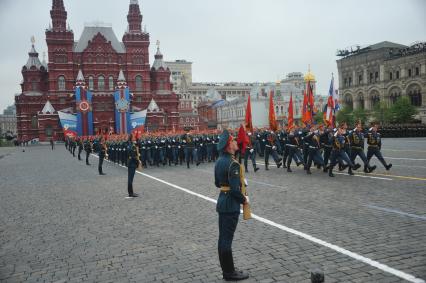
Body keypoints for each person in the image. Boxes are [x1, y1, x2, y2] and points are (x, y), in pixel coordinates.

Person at [214, 129, 249, 281]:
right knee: (227, 240)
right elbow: (235, 190)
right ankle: (229, 273)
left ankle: (227, 269)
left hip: (222, 201)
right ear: (229, 146)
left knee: (222, 239)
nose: (236, 142)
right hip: (230, 205)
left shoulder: (219, 161)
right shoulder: (233, 164)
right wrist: (244, 199)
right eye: (233, 140)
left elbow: (217, 183)